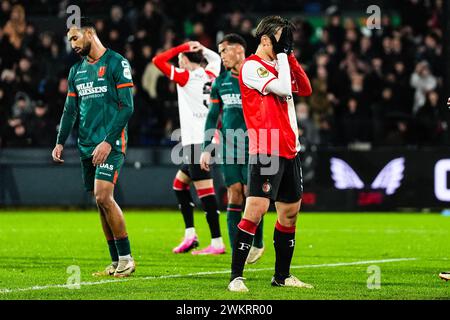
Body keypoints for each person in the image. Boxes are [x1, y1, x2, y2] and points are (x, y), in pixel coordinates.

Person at [227, 16, 313, 292]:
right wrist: (284, 60)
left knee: (289, 213)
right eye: (280, 37)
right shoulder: (252, 66)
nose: (284, 43)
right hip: (267, 147)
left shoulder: (281, 63)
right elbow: (285, 88)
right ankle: (236, 277)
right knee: (257, 209)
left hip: (290, 148)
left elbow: (306, 89)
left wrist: (289, 58)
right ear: (265, 40)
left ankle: (282, 276)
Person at [51, 18, 135, 277]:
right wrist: (60, 141)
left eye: (75, 38)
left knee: (102, 196)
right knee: (100, 203)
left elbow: (127, 107)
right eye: (69, 41)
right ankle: (115, 262)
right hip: (86, 145)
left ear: (89, 33)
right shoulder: (76, 71)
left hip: (111, 143)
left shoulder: (116, 62)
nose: (72, 44)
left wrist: (108, 141)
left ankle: (127, 259)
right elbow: (69, 110)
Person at [152, 40, 226, 255]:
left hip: (197, 141)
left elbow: (158, 60)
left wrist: (183, 47)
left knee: (206, 193)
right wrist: (201, 48)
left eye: (180, 59)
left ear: (184, 60)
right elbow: (215, 58)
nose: (178, 62)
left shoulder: (185, 77)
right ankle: (190, 235)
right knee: (179, 185)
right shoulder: (210, 73)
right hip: (208, 138)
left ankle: (217, 242)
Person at [200, 33, 265, 264]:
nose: (222, 56)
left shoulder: (256, 76)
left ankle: (257, 242)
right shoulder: (220, 82)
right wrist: (207, 147)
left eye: (224, 51)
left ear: (239, 50)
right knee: (234, 192)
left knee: (251, 194)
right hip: (228, 147)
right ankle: (239, 248)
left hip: (254, 146)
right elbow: (212, 116)